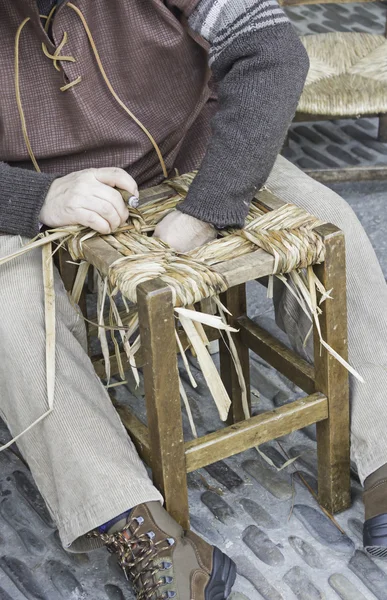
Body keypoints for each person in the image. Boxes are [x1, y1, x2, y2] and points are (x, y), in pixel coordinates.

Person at [1, 0, 387, 597]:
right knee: (8, 311)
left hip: (191, 156)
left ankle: (386, 451)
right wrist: (37, 198)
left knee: (332, 223)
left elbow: (272, 49)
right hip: (43, 198)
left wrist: (207, 207)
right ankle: (133, 523)